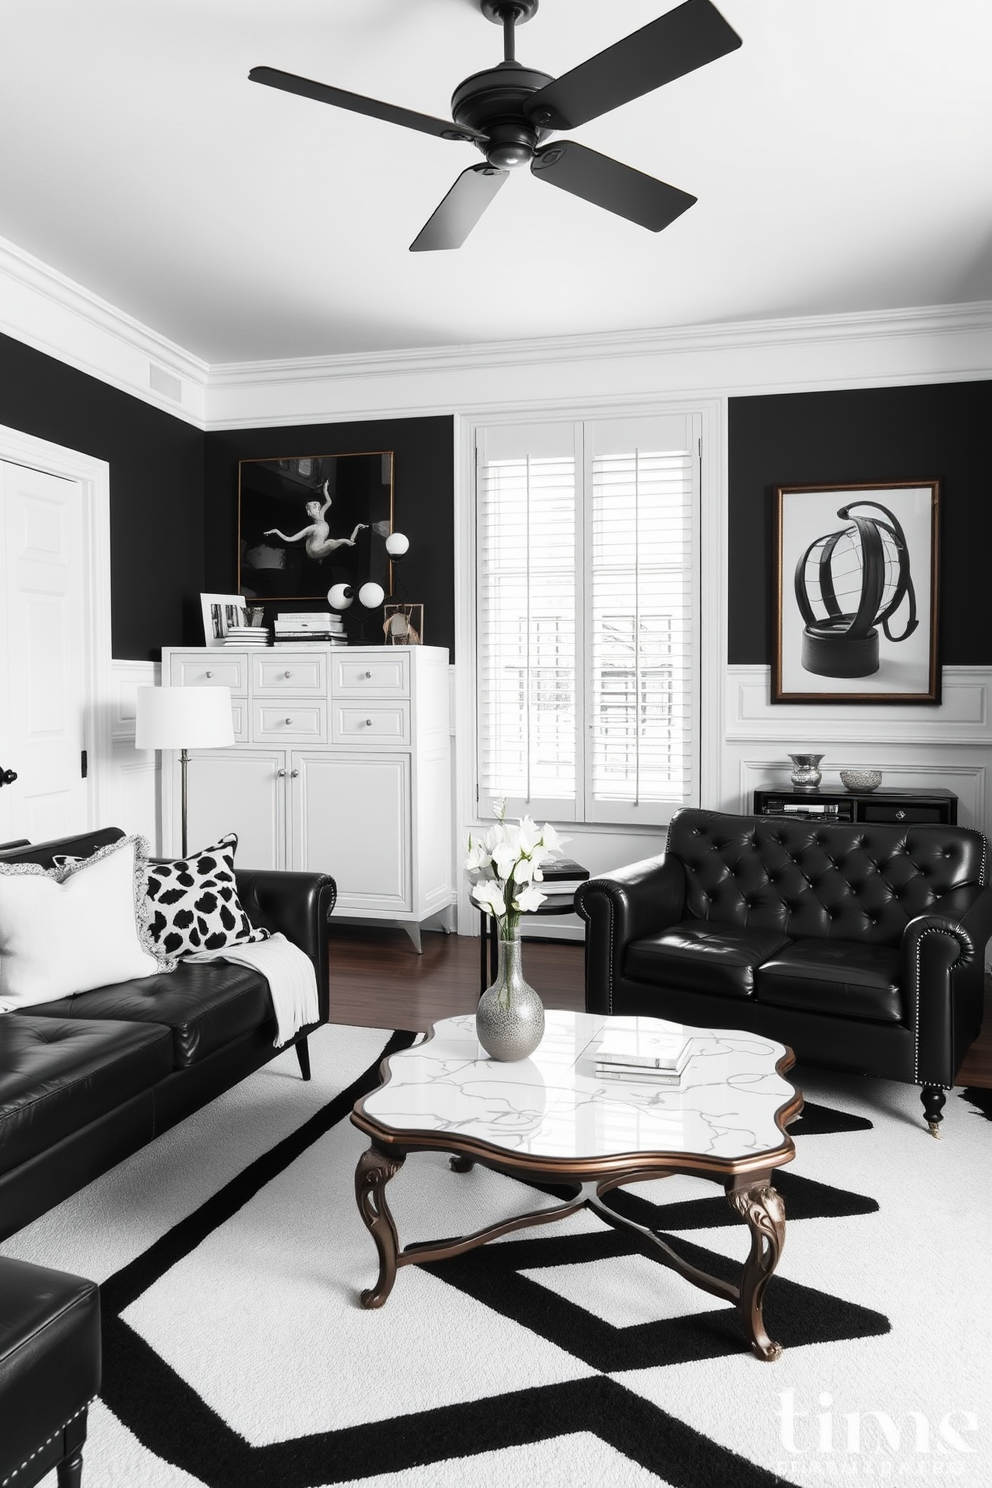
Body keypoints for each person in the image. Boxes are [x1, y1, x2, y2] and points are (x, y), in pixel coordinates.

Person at [264, 481, 367, 561]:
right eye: (313, 507)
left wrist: (325, 488)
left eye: (317, 506)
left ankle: (356, 530)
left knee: (343, 542)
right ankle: (353, 536)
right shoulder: (311, 528)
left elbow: (328, 502)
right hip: (315, 551)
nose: (317, 509)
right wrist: (276, 531)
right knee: (337, 542)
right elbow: (289, 538)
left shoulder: (321, 516)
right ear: (309, 512)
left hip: (319, 550)